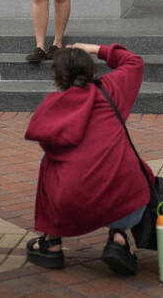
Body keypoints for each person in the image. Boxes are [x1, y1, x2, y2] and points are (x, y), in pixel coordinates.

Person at [23, 42, 151, 276]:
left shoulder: (50, 107)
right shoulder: (111, 89)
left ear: (58, 80)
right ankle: (120, 237)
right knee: (132, 168)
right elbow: (134, 61)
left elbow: (47, 144)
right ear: (93, 72)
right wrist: (93, 48)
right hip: (121, 193)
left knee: (48, 164)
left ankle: (51, 243)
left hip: (72, 200)